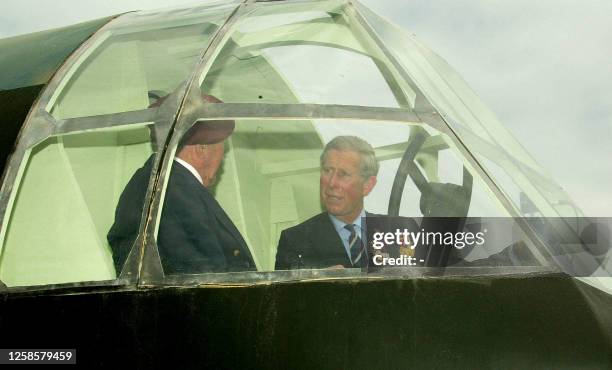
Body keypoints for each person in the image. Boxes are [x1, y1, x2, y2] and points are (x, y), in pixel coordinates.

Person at [108, 97, 255, 275]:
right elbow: (202, 277)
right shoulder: (174, 193)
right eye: (221, 149)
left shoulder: (159, 184)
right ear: (202, 148)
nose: (222, 159)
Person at [275, 136, 384, 270]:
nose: (332, 183)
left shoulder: (397, 232)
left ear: (368, 185)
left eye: (343, 174)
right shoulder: (295, 240)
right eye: (327, 171)